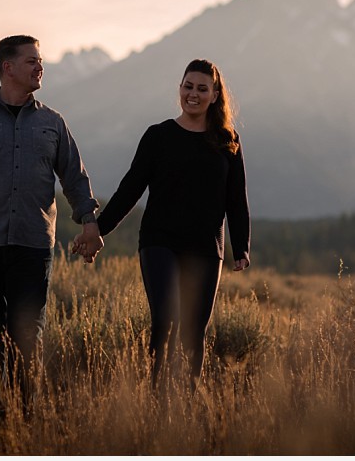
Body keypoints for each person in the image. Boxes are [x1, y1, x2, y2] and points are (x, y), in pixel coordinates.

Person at [0, 35, 103, 407]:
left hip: (33, 245)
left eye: (40, 61)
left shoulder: (52, 122)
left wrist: (90, 223)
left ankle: (27, 417)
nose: (40, 67)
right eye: (32, 61)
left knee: (28, 334)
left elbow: (74, 177)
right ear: (7, 67)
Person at [74, 58, 250, 387]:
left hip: (205, 246)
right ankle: (158, 406)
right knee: (166, 322)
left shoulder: (228, 142)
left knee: (193, 333)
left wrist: (241, 246)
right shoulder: (159, 136)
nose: (193, 94)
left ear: (214, 95)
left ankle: (184, 406)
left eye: (202, 88)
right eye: (187, 86)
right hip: (160, 241)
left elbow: (236, 199)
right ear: (179, 90)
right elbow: (130, 189)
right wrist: (99, 228)